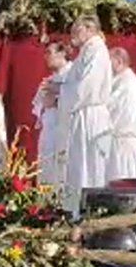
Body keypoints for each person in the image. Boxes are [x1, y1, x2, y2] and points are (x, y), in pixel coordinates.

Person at [60, 15, 113, 215]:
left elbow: (86, 87)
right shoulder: (86, 51)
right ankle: (77, 212)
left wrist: (62, 91)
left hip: (91, 115)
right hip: (82, 114)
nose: (72, 33)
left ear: (90, 29)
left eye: (77, 29)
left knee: (90, 167)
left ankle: (89, 212)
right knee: (79, 166)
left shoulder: (96, 49)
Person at [106, 47, 136, 182]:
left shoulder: (126, 82)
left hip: (122, 145)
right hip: (117, 144)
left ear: (119, 62)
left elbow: (109, 106)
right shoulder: (120, 80)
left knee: (122, 187)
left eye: (109, 62)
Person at [32, 42, 72, 189]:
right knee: (47, 166)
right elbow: (38, 108)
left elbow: (81, 97)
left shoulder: (73, 74)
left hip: (66, 129)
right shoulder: (49, 79)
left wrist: (56, 101)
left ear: (62, 53)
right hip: (49, 129)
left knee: (64, 167)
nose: (46, 57)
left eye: (49, 52)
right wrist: (44, 104)